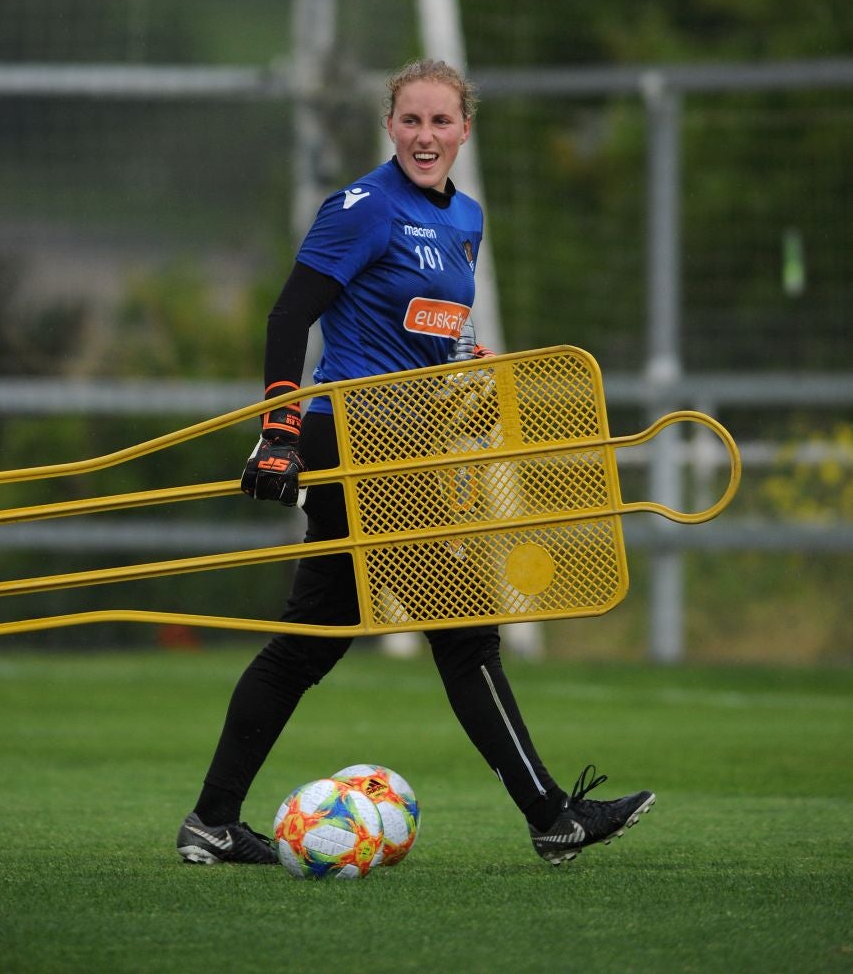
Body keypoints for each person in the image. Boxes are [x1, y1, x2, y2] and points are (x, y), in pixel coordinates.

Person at [176, 58, 654, 868]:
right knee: (466, 631)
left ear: (465, 129)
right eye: (411, 121)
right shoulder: (361, 208)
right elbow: (290, 314)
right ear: (390, 127)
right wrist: (281, 430)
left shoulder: (467, 218)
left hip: (414, 446)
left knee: (307, 644)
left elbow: (436, 331)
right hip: (352, 440)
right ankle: (550, 815)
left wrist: (470, 368)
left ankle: (212, 823)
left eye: (441, 122)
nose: (425, 136)